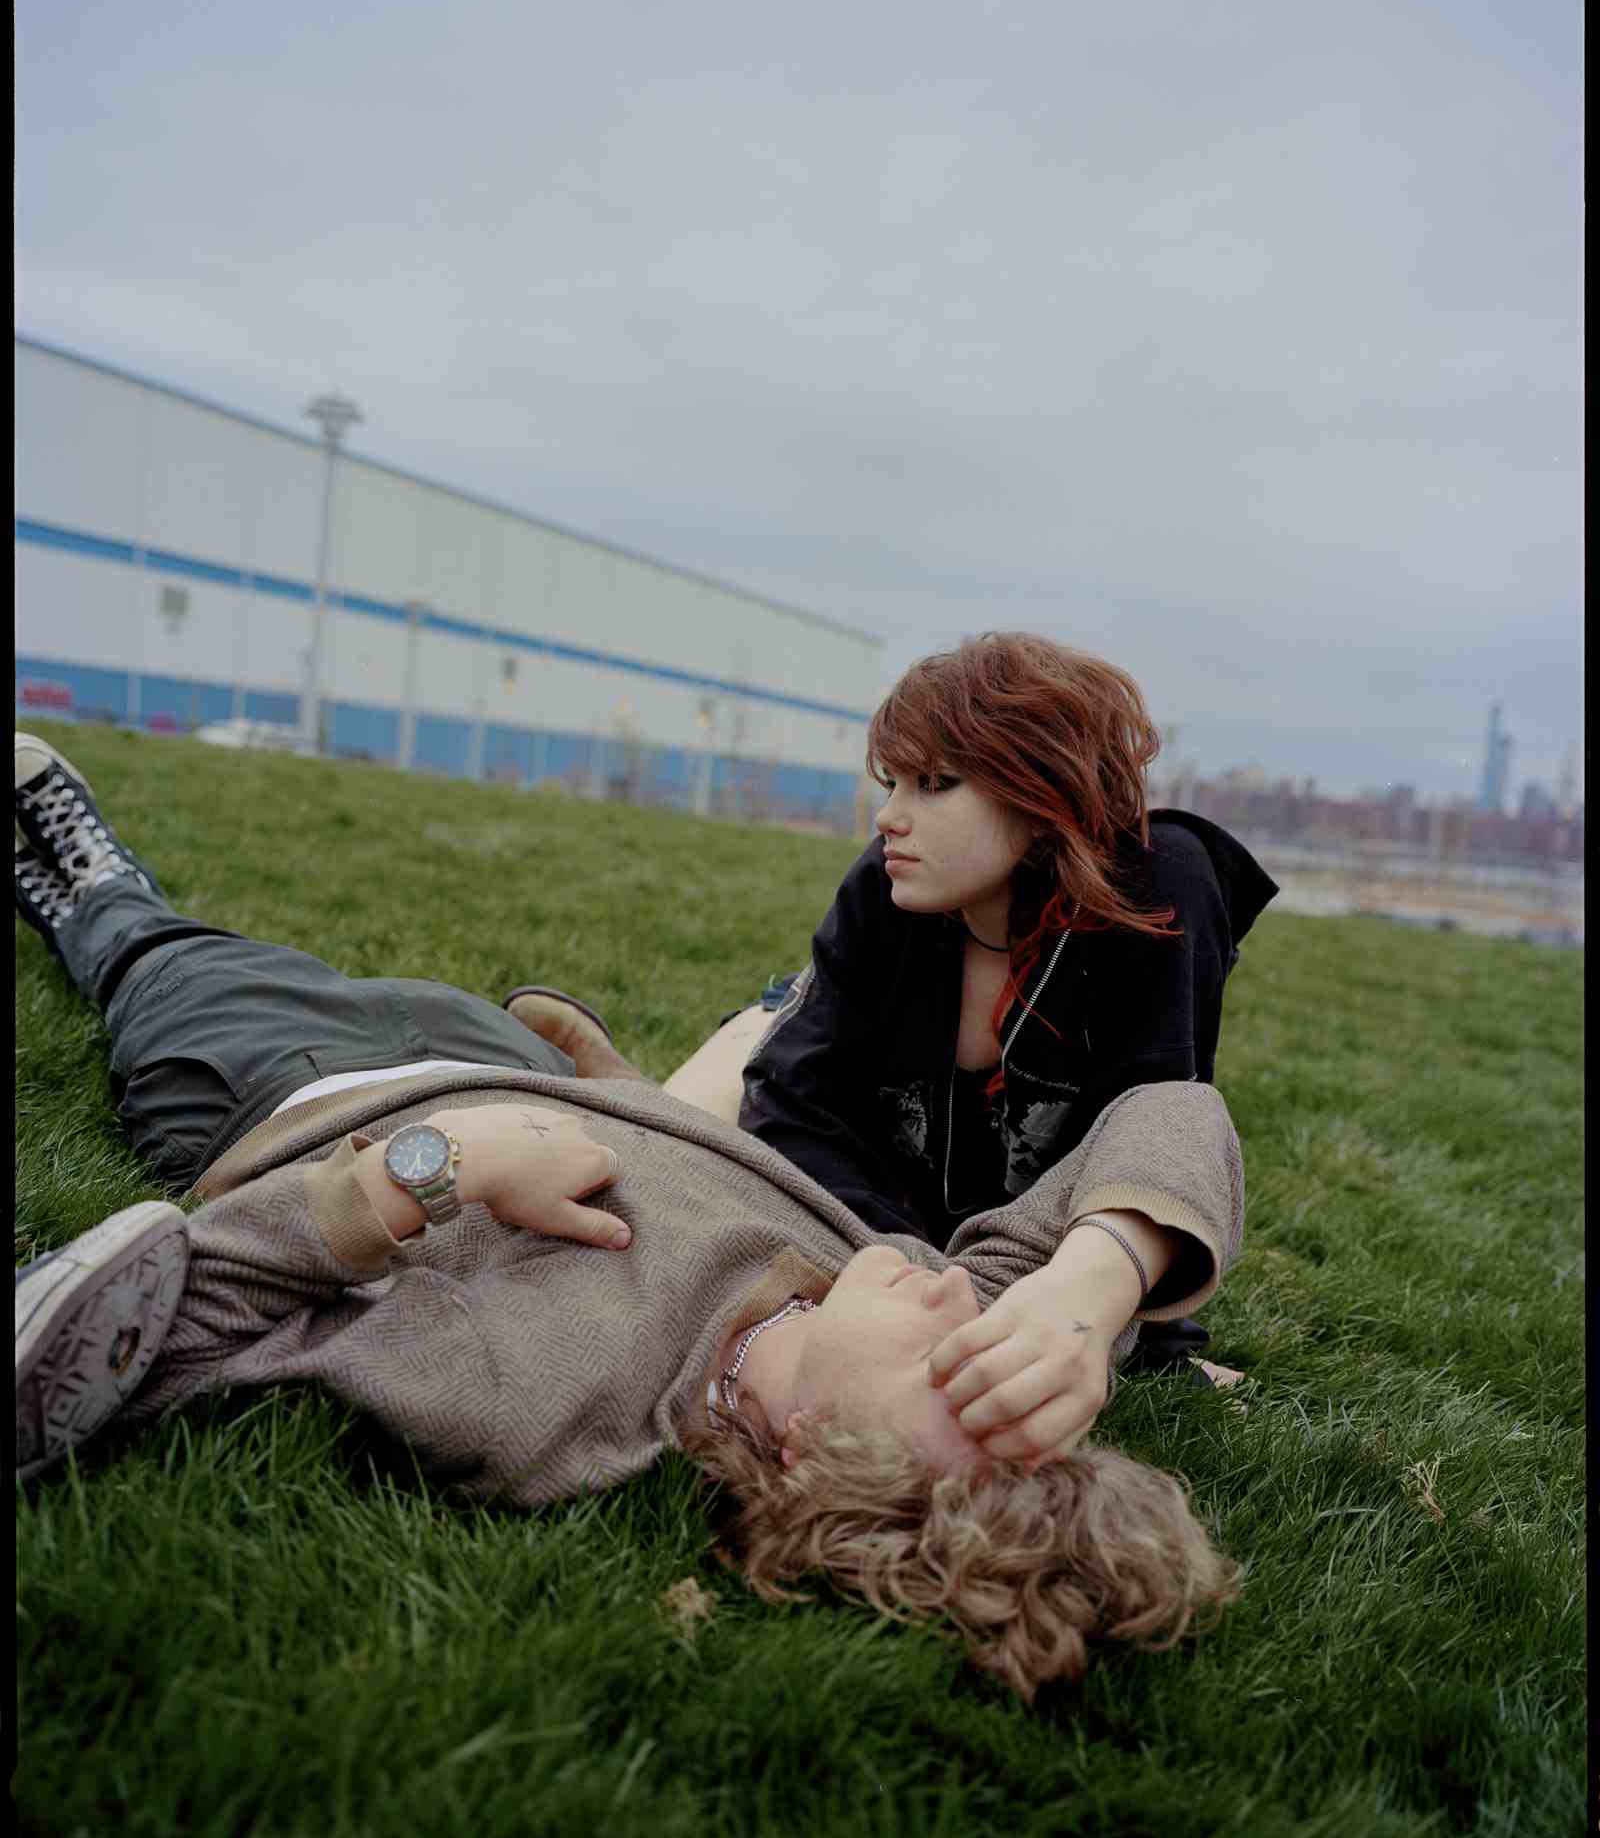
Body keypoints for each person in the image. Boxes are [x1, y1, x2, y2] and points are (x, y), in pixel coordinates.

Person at [14, 730, 1246, 1704]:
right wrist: (1089, 1289)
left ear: (818, 1455)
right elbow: (1171, 1114)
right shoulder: (918, 1285)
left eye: (951, 1366)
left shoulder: (552, 1401)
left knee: (157, 953)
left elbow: (181, 1311)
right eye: (1000, 1349)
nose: (954, 1305)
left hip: (296, 1087)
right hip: (508, 1059)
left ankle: (85, 876)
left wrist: (435, 1168)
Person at [683, 632, 1277, 1389]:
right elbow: (795, 1105)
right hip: (869, 1199)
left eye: (934, 783)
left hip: (1005, 1250)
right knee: (691, 1121)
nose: (888, 817)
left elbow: (1152, 1136)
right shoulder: (886, 887)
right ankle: (615, 1065)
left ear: (1042, 793)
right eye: (891, 782)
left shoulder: (1155, 890)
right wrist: (913, 1277)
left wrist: (1145, 1340)